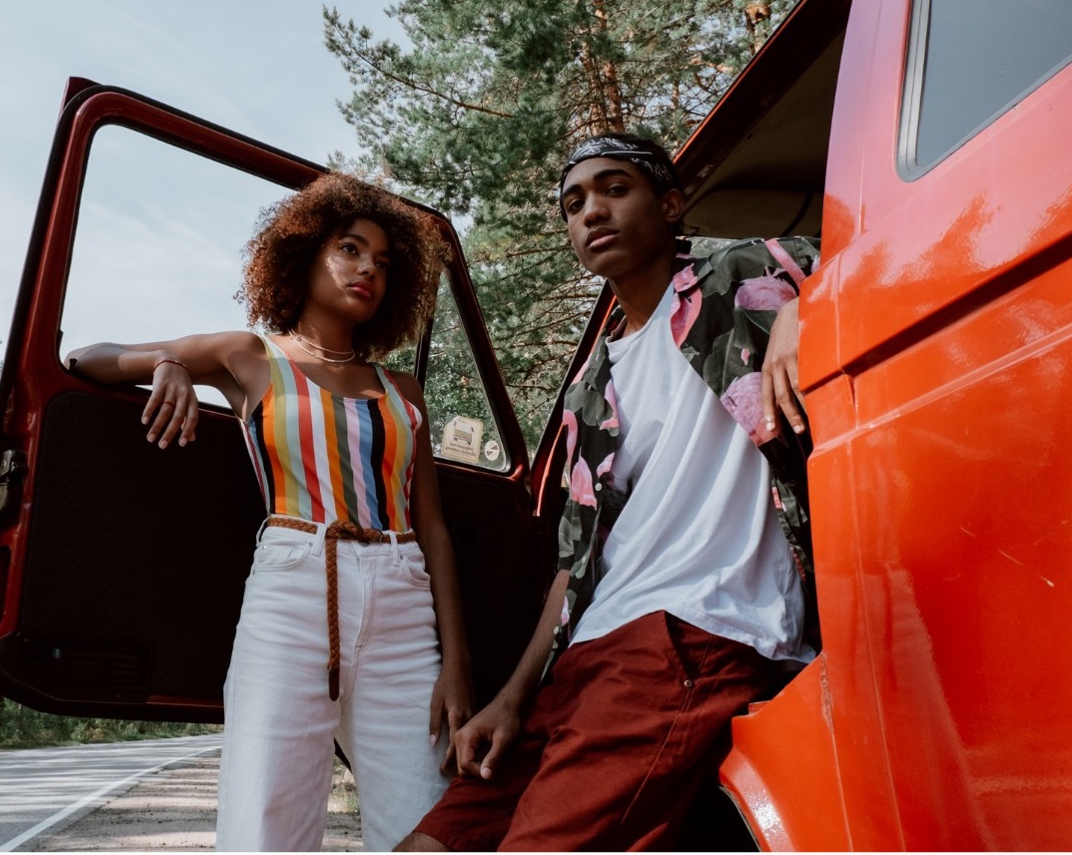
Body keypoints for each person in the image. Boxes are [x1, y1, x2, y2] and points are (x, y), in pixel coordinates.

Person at [397, 133, 819, 851]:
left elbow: (890, 240)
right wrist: (512, 697)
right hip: (586, 655)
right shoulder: (592, 385)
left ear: (670, 203)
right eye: (573, 203)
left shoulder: (746, 274)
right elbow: (573, 562)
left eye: (615, 189)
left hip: (693, 630)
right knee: (432, 842)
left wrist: (810, 307)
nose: (591, 210)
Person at [66, 173, 472, 852]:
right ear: (306, 252)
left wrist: (456, 663)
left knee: (428, 825)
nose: (368, 267)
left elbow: (433, 527)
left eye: (383, 259)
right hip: (295, 589)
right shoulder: (250, 358)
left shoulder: (401, 389)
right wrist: (165, 361)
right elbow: (85, 357)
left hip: (405, 606)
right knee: (265, 827)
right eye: (349, 248)